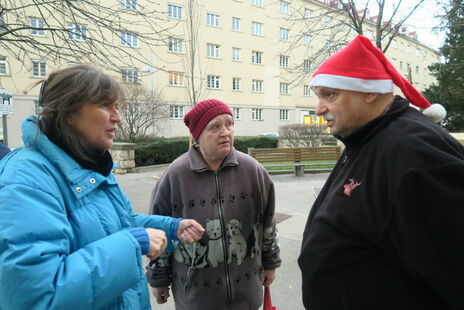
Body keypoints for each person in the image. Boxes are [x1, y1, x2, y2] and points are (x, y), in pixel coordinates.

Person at [0, 64, 205, 310]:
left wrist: (172, 228)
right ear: (68, 112)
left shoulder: (87, 163)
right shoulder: (26, 179)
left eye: (117, 107)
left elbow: (119, 223)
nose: (117, 117)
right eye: (105, 105)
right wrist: (132, 243)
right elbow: (36, 297)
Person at [298, 35, 464, 309]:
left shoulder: (413, 152)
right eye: (319, 97)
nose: (319, 109)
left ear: (369, 91)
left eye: (330, 94)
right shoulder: (367, 138)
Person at [145, 99, 281, 310]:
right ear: (197, 135)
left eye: (229, 124)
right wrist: (158, 278)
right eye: (215, 127)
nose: (225, 132)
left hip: (247, 295)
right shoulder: (174, 176)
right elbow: (158, 231)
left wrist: (271, 263)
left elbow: (268, 223)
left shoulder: (253, 171)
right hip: (196, 297)